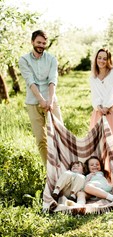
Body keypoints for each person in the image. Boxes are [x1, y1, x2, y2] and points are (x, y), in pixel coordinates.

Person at [19, 30, 63, 167]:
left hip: (51, 101)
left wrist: (49, 100)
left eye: (44, 43)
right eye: (38, 42)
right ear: (32, 42)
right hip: (33, 103)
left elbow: (52, 80)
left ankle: (63, 166)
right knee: (41, 139)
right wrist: (41, 100)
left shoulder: (51, 59)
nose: (41, 45)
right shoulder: (24, 60)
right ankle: (49, 170)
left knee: (60, 135)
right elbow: (30, 81)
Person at [89, 48, 113, 156]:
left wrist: (106, 106)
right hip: (100, 110)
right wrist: (99, 107)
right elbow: (95, 95)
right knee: (101, 139)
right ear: (96, 59)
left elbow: (112, 90)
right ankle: (104, 164)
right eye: (99, 58)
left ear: (108, 60)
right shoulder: (93, 77)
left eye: (105, 59)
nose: (101, 61)